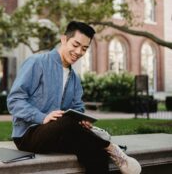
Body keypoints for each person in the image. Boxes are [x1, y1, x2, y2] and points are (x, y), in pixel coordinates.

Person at [7, 21, 141, 174]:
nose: (79, 52)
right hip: (28, 135)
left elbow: (78, 107)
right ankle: (110, 147)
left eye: (84, 48)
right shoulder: (37, 63)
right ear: (64, 39)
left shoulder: (75, 78)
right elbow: (14, 100)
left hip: (62, 132)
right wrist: (42, 117)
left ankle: (103, 147)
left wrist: (82, 120)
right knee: (67, 120)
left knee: (94, 150)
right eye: (76, 45)